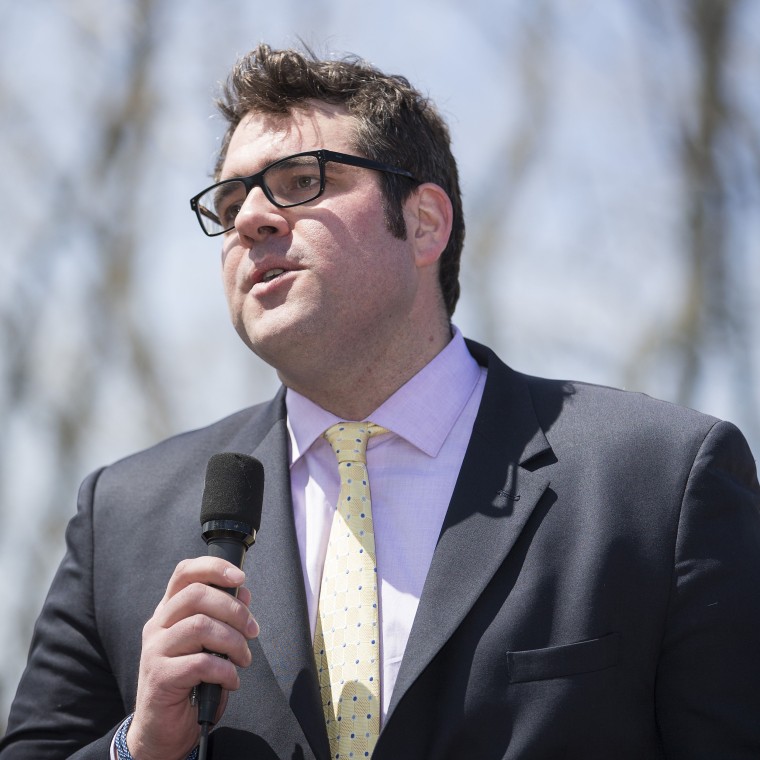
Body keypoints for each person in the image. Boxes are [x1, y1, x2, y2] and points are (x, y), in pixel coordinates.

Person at [2, 43, 760, 760]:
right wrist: (139, 746)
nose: (250, 219)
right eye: (230, 201)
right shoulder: (122, 516)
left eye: (302, 181)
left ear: (425, 222)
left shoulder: (661, 480)